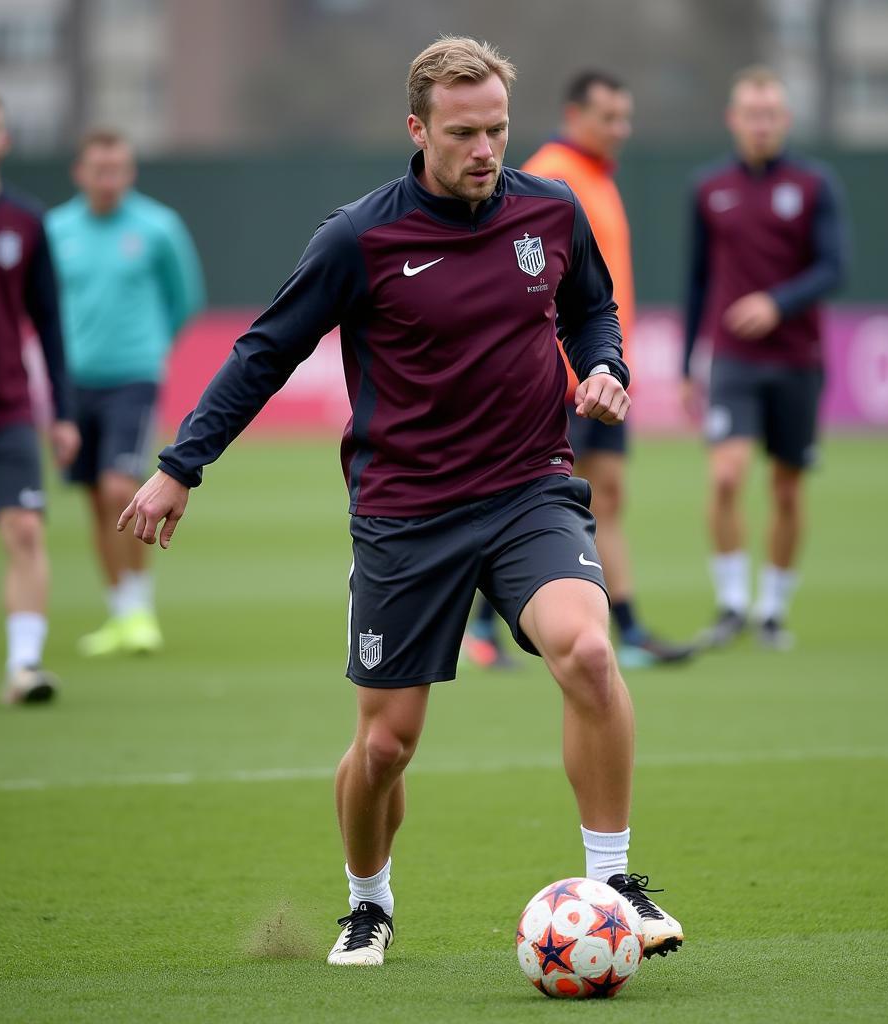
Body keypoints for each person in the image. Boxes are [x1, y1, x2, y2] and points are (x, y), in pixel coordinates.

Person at [118, 37, 684, 967]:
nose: (486, 150)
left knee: (586, 650)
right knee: (385, 747)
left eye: (498, 129)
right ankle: (368, 902)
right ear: (417, 129)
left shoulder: (551, 210)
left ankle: (614, 880)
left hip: (528, 489)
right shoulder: (359, 237)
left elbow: (591, 308)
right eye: (464, 133)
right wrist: (182, 463)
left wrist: (607, 367)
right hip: (406, 512)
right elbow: (265, 352)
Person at [464, 70, 694, 670]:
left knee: (607, 498)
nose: (620, 129)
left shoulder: (596, 178)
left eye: (625, 117)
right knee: (533, 505)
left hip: (605, 379)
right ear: (574, 116)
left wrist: (610, 366)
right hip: (562, 385)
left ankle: (632, 629)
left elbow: (598, 301)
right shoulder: (550, 179)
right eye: (608, 117)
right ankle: (485, 628)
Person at [680, 66, 848, 650]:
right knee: (726, 476)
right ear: (734, 119)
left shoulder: (813, 184)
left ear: (785, 120)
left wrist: (777, 303)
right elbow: (697, 281)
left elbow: (834, 267)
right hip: (732, 359)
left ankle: (772, 609)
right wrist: (684, 364)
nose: (760, 124)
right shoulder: (708, 189)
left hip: (798, 357)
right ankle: (731, 603)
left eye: (770, 114)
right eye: (751, 114)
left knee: (785, 488)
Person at [47, 129, 205, 657]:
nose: (109, 179)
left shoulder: (157, 227)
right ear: (80, 173)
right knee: (95, 500)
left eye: (119, 169)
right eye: (100, 169)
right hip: (73, 379)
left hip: (134, 376)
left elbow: (185, 297)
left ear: (130, 171)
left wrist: (152, 344)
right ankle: (119, 611)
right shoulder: (56, 230)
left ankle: (139, 611)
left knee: (121, 487)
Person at [0, 84, 79, 704]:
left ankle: (24, 667)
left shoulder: (26, 222)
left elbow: (50, 322)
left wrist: (59, 412)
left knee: (26, 532)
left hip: (6, 411)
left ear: (3, 141)